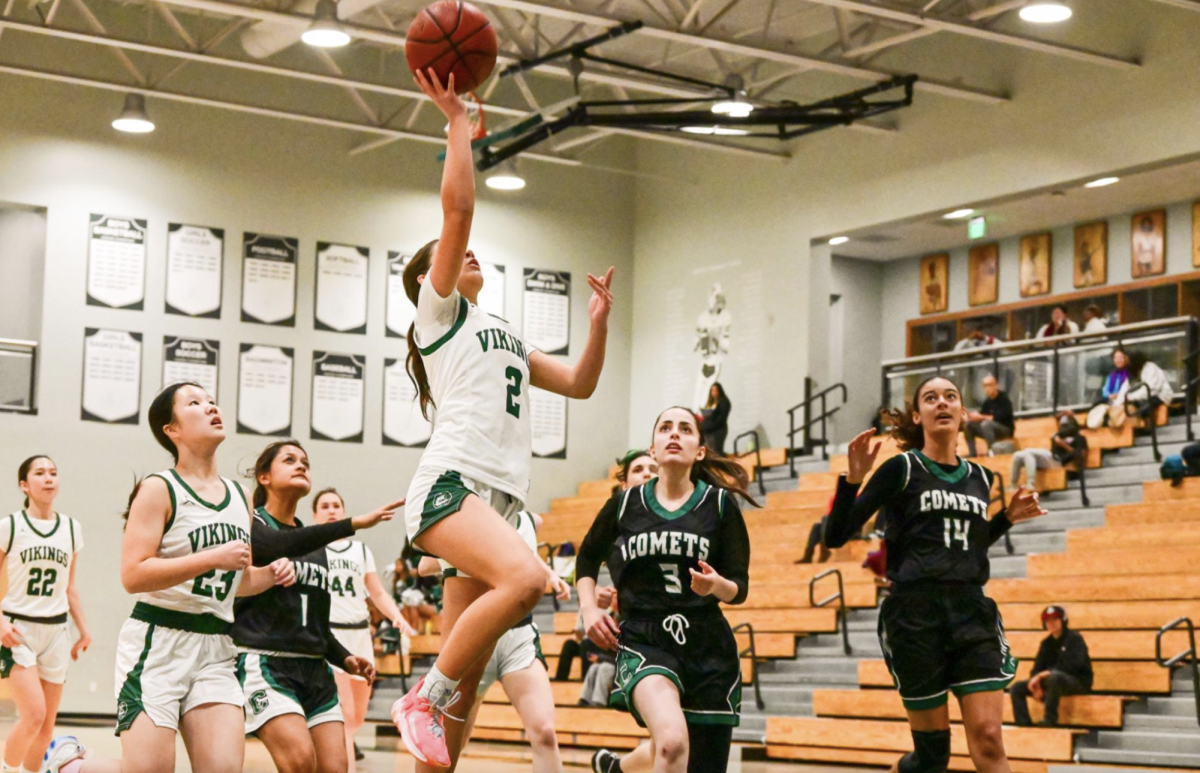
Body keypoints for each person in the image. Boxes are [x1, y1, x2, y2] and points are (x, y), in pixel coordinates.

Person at [392, 67, 615, 768]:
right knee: (524, 582)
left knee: (460, 710)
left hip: (497, 497)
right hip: (452, 486)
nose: (466, 254)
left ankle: (436, 727)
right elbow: (457, 214)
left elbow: (579, 383)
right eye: (446, 259)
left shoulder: (506, 333)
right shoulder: (441, 315)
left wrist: (599, 323)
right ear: (432, 278)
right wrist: (458, 125)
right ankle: (420, 695)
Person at [43, 382, 296, 773]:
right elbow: (133, 575)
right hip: (157, 643)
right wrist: (211, 556)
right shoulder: (158, 488)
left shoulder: (239, 496)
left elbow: (233, 582)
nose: (211, 407)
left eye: (212, 400)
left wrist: (269, 575)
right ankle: (71, 767)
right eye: (195, 403)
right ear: (171, 430)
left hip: (215, 647)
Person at [825, 375, 1047, 773]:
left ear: (963, 414)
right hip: (914, 615)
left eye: (950, 397)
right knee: (932, 757)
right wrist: (853, 482)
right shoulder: (901, 469)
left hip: (971, 613)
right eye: (931, 398)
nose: (941, 403)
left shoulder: (982, 478)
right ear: (918, 415)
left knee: (990, 740)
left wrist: (1007, 518)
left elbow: (971, 543)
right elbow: (836, 536)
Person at [580, 407, 753, 773]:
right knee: (672, 742)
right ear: (653, 448)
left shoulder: (721, 505)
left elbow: (739, 588)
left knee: (696, 762)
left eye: (686, 429)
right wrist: (589, 609)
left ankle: (616, 769)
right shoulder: (625, 504)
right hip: (646, 639)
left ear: (700, 450)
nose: (675, 434)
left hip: (708, 647)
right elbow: (587, 557)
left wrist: (715, 585)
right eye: (665, 428)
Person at [234, 441, 395, 773]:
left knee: (335, 768)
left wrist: (344, 658)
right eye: (290, 460)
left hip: (315, 669)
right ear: (263, 476)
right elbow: (279, 544)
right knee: (300, 762)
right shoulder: (254, 526)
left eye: (305, 461)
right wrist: (353, 523)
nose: (301, 465)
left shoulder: (312, 544)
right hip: (267, 664)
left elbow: (318, 621)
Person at [416, 511, 571, 773]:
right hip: (476, 636)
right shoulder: (464, 515)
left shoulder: (532, 520)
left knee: (545, 732)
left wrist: (548, 573)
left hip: (518, 637)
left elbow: (521, 555)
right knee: (453, 739)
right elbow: (424, 566)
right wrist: (478, 556)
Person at [313, 487, 416, 773]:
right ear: (315, 514)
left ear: (343, 511)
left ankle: (326, 756)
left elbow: (377, 593)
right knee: (344, 716)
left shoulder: (360, 550)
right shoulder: (311, 548)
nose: (331, 509)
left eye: (336, 505)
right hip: (329, 638)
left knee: (357, 718)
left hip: (360, 635)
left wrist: (397, 617)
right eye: (325, 506)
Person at [0, 456, 90, 773]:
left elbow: (71, 586)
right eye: (40, 473)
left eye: (53, 472)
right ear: (24, 485)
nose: (49, 478)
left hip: (56, 631)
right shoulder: (9, 527)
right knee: (33, 714)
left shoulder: (70, 528)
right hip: (17, 629)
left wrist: (84, 630)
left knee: (46, 727)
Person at [1009, 606, 1093, 727]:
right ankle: (1023, 724)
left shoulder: (1075, 638)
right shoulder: (1046, 643)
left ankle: (1050, 720)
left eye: (1055, 619)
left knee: (1055, 677)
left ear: (1063, 620)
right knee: (1016, 688)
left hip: (1077, 682)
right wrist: (1036, 685)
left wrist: (1046, 674)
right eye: (1048, 621)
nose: (1051, 623)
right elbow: (1037, 668)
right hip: (1053, 680)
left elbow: (1074, 665)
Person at [1010, 411, 1088, 488]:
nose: (1064, 427)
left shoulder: (1080, 438)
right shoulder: (1060, 435)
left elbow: (1081, 455)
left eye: (1066, 425)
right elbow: (1056, 418)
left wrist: (1064, 445)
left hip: (1058, 461)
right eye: (1063, 425)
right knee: (1018, 454)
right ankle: (1013, 485)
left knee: (1028, 452)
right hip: (1050, 457)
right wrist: (1065, 413)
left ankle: (1031, 484)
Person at [964, 375, 1014, 458]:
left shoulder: (1004, 399)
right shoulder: (987, 402)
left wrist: (980, 417)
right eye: (985, 386)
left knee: (986, 424)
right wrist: (972, 417)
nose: (987, 388)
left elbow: (998, 418)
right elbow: (982, 416)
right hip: (989, 430)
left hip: (1005, 430)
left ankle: (992, 451)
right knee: (969, 425)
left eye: (990, 385)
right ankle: (972, 454)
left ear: (996, 385)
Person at [1121, 349, 1174, 424]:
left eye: (1128, 360)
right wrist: (1122, 399)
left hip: (1160, 395)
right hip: (1145, 395)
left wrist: (1131, 397)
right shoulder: (1134, 371)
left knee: (1145, 404)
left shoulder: (1150, 368)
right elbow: (1126, 387)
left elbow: (1151, 389)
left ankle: (1149, 426)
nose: (1126, 362)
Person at [1086, 348, 1130, 429]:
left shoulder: (1130, 373)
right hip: (1111, 401)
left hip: (1123, 402)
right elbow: (1105, 390)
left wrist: (1119, 395)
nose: (1118, 360)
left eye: (1120, 357)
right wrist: (1109, 395)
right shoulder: (1112, 375)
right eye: (1115, 358)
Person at [700, 383, 731, 455]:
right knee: (708, 452)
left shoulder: (724, 402)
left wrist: (710, 426)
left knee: (716, 452)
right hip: (708, 431)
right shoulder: (711, 402)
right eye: (712, 390)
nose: (713, 392)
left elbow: (721, 418)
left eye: (715, 390)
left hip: (717, 431)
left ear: (720, 391)